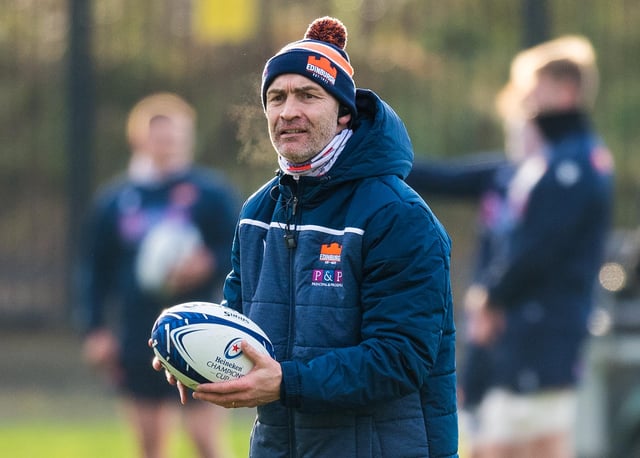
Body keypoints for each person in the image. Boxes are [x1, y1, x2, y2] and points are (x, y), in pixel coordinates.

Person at [153, 16, 458, 458]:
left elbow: (400, 358)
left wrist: (285, 382)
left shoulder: (397, 215)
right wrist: (191, 352)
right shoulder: (258, 214)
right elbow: (241, 326)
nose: (288, 111)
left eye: (308, 95)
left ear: (344, 112)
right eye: (276, 97)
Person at [407, 36, 614, 458]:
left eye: (534, 87)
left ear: (564, 89)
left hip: (541, 332)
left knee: (513, 445)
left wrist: (491, 297)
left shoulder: (573, 165)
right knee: (517, 442)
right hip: (517, 335)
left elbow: (540, 248)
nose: (526, 99)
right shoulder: (534, 166)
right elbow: (442, 177)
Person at [78, 92, 240, 458]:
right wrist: (94, 328)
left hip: (200, 333)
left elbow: (239, 250)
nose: (168, 145)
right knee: (150, 443)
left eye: (176, 137)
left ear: (189, 139)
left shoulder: (211, 193)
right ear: (139, 139)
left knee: (204, 437)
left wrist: (208, 262)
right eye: (160, 137)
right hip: (138, 333)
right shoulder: (115, 200)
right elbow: (95, 268)